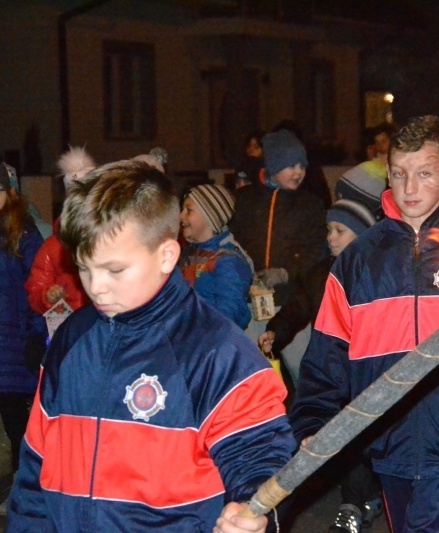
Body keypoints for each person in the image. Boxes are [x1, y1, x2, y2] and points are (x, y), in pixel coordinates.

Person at [7, 159, 295, 532]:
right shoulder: (70, 340)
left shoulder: (217, 351)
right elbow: (35, 470)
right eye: (84, 267)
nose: (96, 287)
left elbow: (260, 457)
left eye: (115, 270)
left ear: (166, 255)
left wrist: (254, 512)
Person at [290, 115, 439, 533]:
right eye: (400, 174)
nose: (409, 188)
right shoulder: (359, 259)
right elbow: (327, 351)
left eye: (424, 174)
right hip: (384, 440)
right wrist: (314, 422)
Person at [261, 198, 382, 533]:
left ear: (360, 235)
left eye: (340, 230)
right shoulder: (321, 273)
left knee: (361, 437)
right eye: (328, 229)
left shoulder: (375, 274)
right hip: (331, 368)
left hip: (365, 369)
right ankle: (354, 500)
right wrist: (277, 330)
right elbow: (299, 305)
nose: (331, 237)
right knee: (335, 433)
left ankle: (359, 501)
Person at [228, 128, 327, 382]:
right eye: (290, 165)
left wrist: (285, 272)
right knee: (253, 373)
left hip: (291, 305)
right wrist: (246, 274)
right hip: (253, 304)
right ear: (273, 166)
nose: (299, 172)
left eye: (302, 165)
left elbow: (315, 251)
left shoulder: (309, 205)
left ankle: (312, 418)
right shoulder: (246, 201)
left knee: (303, 372)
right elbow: (234, 244)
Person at [0, 164, 45, 514]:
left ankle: (23, 495)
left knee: (19, 428)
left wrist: (35, 336)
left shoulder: (25, 236)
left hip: (14, 349)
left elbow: (39, 291)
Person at [25, 146, 94, 317]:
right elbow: (35, 290)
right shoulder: (52, 247)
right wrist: (47, 296)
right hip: (68, 326)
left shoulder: (110, 239)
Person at [179, 183, 254, 329]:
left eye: (189, 210)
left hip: (209, 345)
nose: (181, 215)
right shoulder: (190, 255)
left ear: (210, 218)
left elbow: (230, 313)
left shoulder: (228, 261)